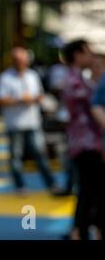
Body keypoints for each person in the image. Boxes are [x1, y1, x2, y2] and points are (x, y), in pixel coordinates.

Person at [0, 46, 57, 194]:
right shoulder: (5, 78)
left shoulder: (32, 76)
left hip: (32, 122)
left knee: (40, 155)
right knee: (16, 158)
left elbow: (40, 95)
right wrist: (20, 100)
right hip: (14, 124)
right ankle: (20, 186)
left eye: (23, 60)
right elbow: (0, 100)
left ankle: (51, 184)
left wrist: (34, 99)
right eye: (17, 60)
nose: (20, 63)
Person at [62, 40, 104, 240]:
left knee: (89, 189)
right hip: (85, 142)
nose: (91, 56)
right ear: (77, 55)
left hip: (88, 141)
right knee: (90, 189)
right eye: (87, 53)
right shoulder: (74, 80)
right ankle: (81, 230)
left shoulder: (78, 79)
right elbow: (94, 102)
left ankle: (80, 229)